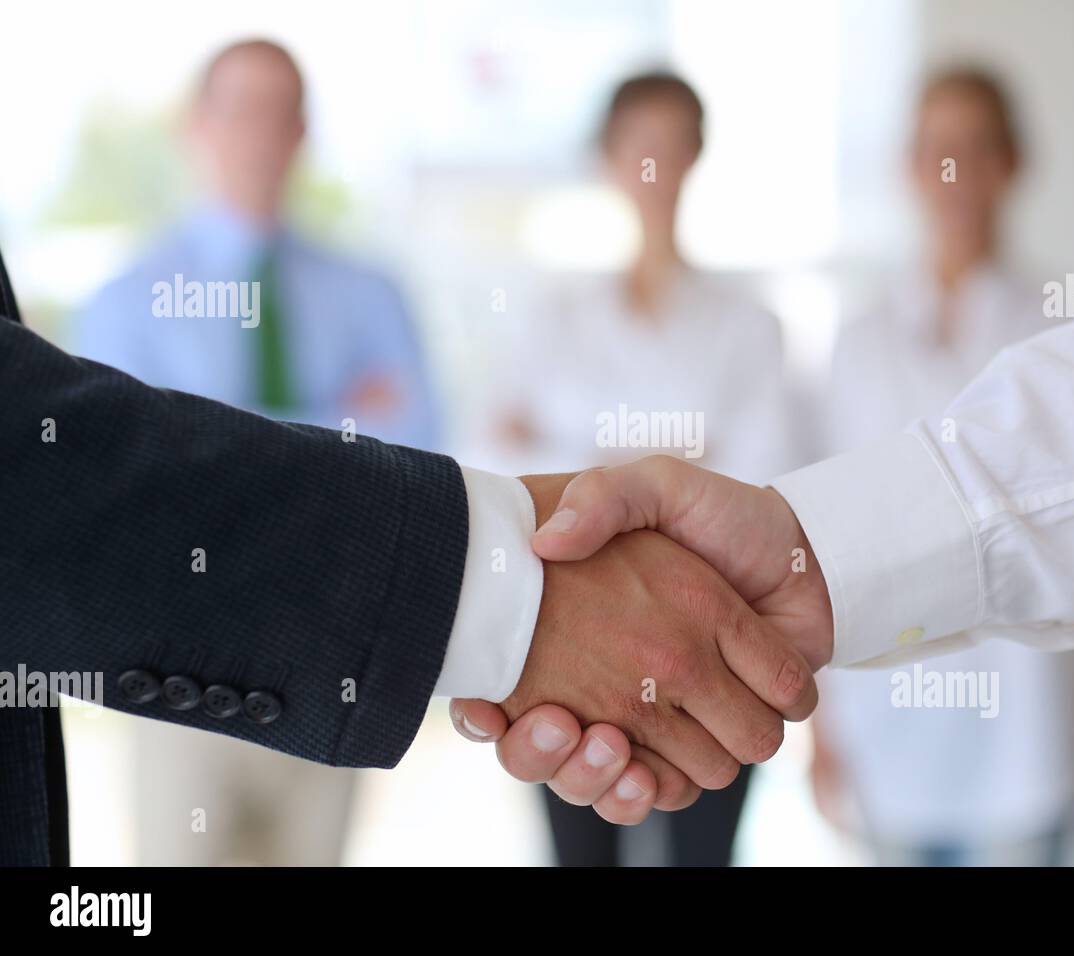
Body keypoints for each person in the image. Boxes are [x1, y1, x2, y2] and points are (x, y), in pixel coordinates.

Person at [453, 201, 1074, 823]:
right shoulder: (858, 337)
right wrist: (809, 563)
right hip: (872, 707)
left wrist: (490, 615)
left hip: (1025, 735)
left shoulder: (1045, 309)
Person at [0, 250, 818, 866]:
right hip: (198, 664)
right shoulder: (132, 287)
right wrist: (499, 589)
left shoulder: (366, 288)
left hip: (312, 670)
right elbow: (54, 461)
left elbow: (423, 417)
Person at [73, 40, 438, 866]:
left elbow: (418, 461)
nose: (263, 134)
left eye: (284, 113)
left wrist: (220, 432)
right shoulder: (126, 302)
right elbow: (141, 488)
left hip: (331, 668)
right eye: (241, 108)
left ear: (305, 132)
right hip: (178, 677)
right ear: (193, 127)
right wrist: (337, 420)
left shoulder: (372, 295)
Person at [813, 67, 1074, 865]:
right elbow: (823, 547)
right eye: (936, 150)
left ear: (1013, 163)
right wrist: (817, 727)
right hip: (888, 738)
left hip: (1032, 742)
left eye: (975, 148)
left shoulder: (1069, 329)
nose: (954, 173)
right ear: (909, 167)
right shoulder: (860, 344)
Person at [490, 71, 794, 866]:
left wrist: (586, 465)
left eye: (674, 145)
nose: (656, 165)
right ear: (609, 159)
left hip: (707, 639)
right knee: (580, 853)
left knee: (703, 850)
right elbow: (503, 468)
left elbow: (761, 483)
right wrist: (681, 469)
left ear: (697, 156)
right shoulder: (552, 316)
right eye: (639, 147)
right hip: (568, 644)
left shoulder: (747, 323)